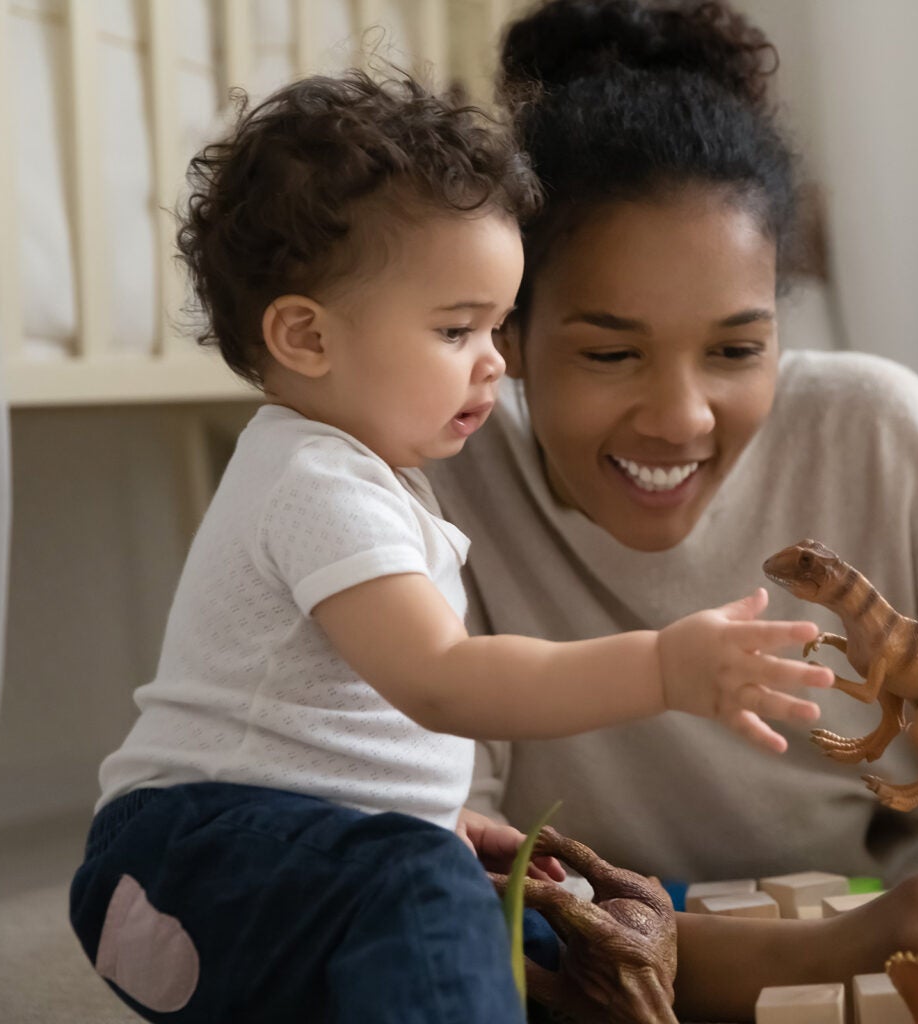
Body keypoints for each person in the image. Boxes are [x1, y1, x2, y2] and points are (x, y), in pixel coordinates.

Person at [68, 70, 833, 1024]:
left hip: (274, 851)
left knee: (537, 911)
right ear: (306, 335)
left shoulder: (367, 479)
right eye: (456, 328)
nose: (498, 361)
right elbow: (442, 680)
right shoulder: (315, 483)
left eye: (499, 325)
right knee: (425, 891)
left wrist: (441, 820)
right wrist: (662, 669)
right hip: (195, 850)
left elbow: (341, 750)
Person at [428, 0, 918, 1016]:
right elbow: (456, 900)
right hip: (640, 939)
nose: (680, 418)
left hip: (897, 905)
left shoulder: (885, 438)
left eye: (737, 349)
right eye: (610, 353)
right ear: (508, 333)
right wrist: (845, 943)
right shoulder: (436, 491)